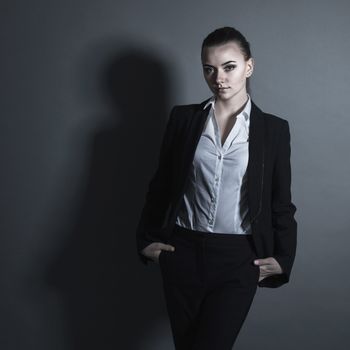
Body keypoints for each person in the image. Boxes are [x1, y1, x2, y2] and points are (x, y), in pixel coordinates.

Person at [136, 26, 297, 350]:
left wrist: (284, 256)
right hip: (182, 251)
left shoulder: (274, 130)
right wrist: (146, 240)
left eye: (229, 67)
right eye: (209, 69)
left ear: (248, 67)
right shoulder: (183, 119)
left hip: (238, 258)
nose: (218, 78)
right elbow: (162, 185)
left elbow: (281, 201)